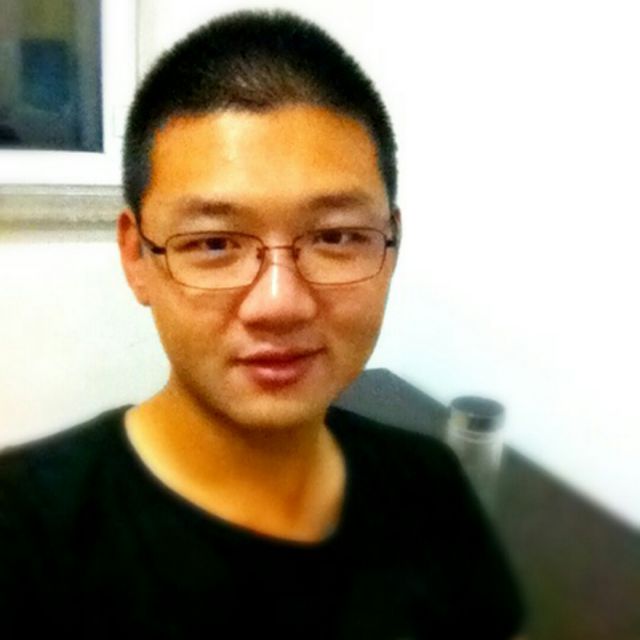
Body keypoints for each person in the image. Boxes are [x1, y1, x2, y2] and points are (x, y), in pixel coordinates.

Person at [0, 10, 525, 638]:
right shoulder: (23, 533)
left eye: (336, 236)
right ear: (136, 257)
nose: (280, 303)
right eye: (215, 243)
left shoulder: (430, 485)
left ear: (391, 245)